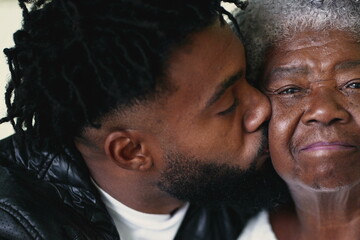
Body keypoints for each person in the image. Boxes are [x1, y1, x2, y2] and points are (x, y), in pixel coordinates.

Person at [0, 0, 284, 239]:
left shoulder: (245, 177)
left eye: (248, 76)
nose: (262, 106)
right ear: (132, 151)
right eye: (228, 105)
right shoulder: (16, 226)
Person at [236, 0, 360, 239]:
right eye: (290, 90)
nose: (324, 111)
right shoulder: (236, 228)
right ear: (257, 116)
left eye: (356, 84)